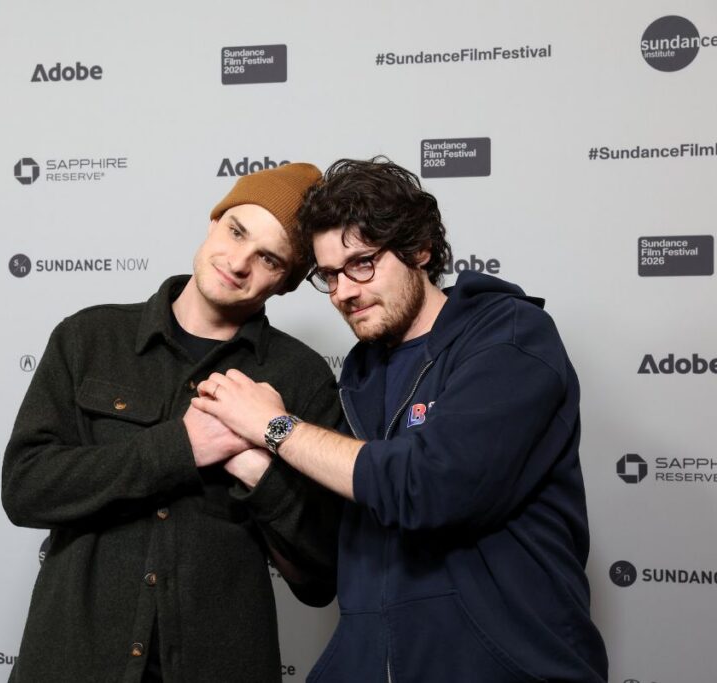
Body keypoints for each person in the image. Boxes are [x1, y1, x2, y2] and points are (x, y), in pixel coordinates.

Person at [191, 157, 609, 682]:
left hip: (509, 668)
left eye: (361, 263)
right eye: (329, 276)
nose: (344, 291)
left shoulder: (510, 337)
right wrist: (258, 470)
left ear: (419, 249)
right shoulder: (359, 379)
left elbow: (432, 486)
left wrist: (275, 428)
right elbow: (341, 558)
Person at [2, 162, 343, 683]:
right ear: (215, 221)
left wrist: (257, 468)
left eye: (269, 258)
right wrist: (181, 447)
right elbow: (25, 488)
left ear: (287, 281)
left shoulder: (299, 377)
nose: (238, 262)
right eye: (236, 232)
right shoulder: (89, 338)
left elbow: (321, 576)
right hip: (73, 661)